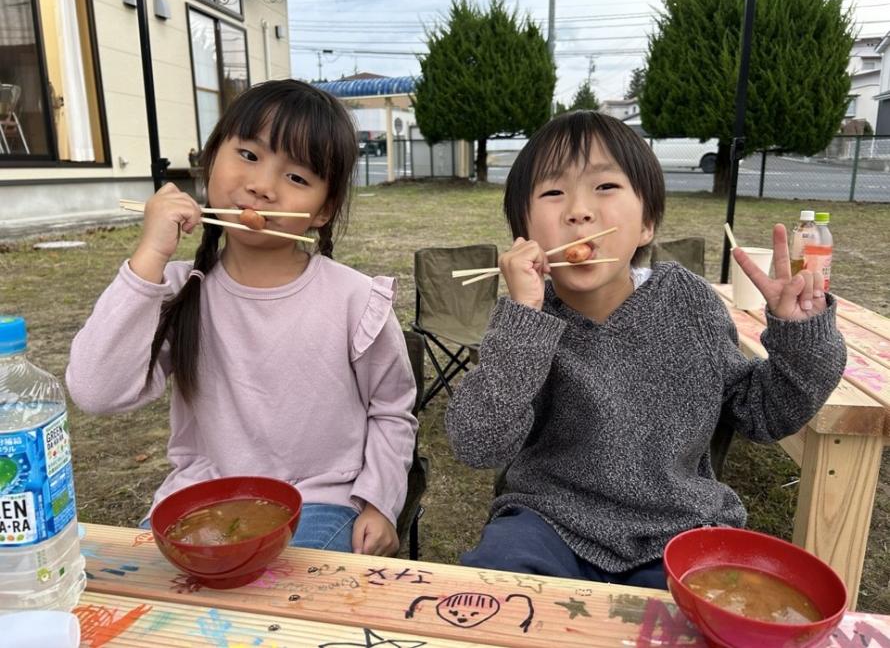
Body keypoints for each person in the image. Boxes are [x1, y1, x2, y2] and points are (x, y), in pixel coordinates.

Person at [445, 111, 846, 588]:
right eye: (553, 193)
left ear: (647, 223)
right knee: (493, 588)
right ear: (525, 233)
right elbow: (476, 443)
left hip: (678, 527)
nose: (578, 211)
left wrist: (802, 337)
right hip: (547, 522)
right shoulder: (525, 322)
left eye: (605, 187)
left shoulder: (687, 303)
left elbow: (763, 414)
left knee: (708, 612)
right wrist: (525, 318)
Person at [66, 80, 417, 556]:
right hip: (201, 498)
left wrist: (379, 501)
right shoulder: (175, 289)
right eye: (248, 155)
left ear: (324, 210)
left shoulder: (354, 299)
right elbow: (97, 391)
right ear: (211, 159)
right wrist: (149, 255)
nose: (261, 187)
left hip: (317, 503)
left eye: (296, 178)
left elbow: (391, 409)